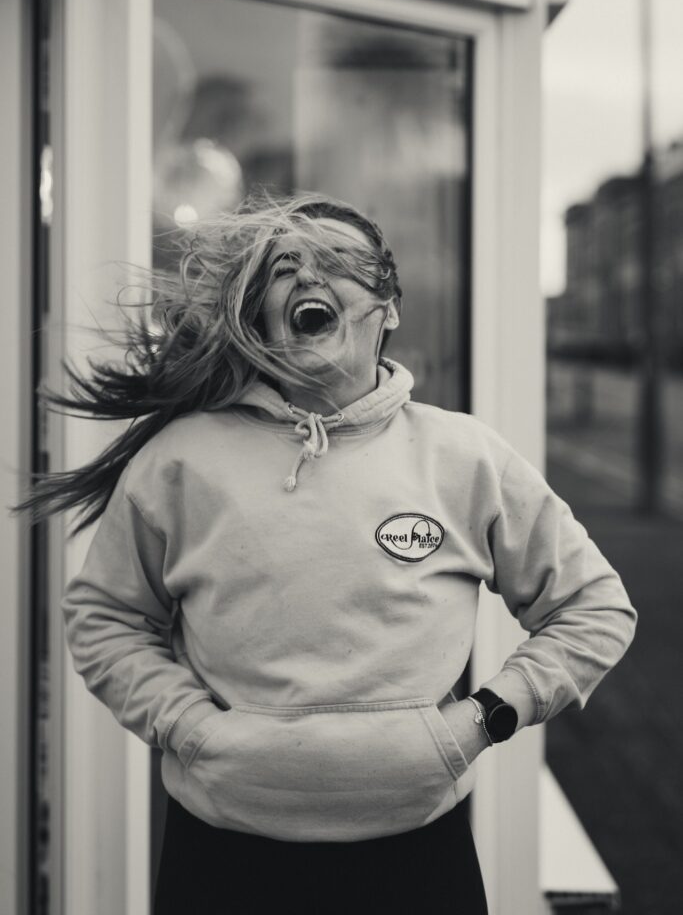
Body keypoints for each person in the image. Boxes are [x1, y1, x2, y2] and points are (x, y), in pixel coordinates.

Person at [13, 193, 637, 914]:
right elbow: (103, 616)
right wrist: (187, 725)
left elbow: (592, 608)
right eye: (283, 268)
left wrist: (485, 718)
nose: (307, 275)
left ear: (388, 307)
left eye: (337, 261)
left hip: (417, 856)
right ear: (259, 316)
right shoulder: (181, 462)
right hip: (221, 858)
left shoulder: (462, 456)